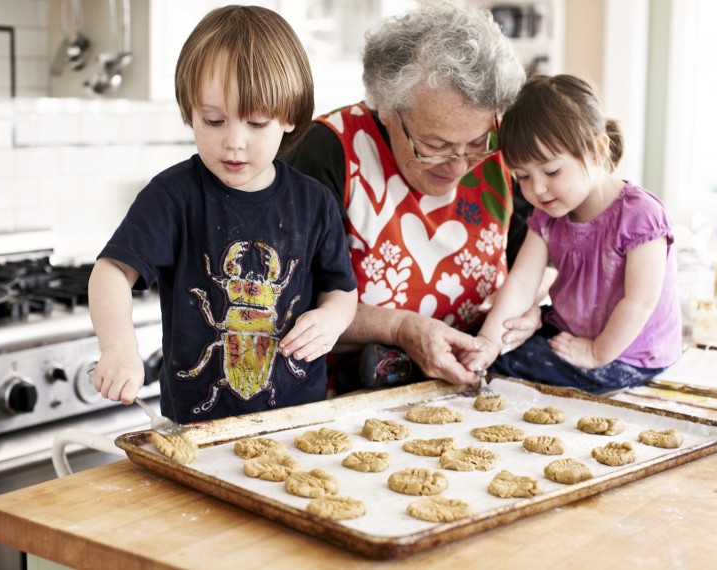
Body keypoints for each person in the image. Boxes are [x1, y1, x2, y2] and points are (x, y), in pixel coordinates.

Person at [88, 5, 358, 423]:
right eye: (213, 121)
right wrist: (119, 347)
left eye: (255, 122)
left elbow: (340, 290)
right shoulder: (172, 196)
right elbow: (110, 272)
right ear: (189, 112)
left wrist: (331, 319)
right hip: (197, 428)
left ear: (288, 117)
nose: (234, 141)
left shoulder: (315, 202)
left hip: (298, 423)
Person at [285, 3, 541, 390]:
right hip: (348, 399)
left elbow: (541, 255)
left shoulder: (504, 147)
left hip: (479, 389)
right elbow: (290, 302)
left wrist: (531, 308)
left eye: (475, 143)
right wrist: (402, 328)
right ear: (386, 107)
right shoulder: (329, 152)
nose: (458, 166)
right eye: (434, 145)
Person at [462, 74, 682, 394]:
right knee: (489, 348)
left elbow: (640, 302)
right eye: (523, 177)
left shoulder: (640, 215)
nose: (536, 189)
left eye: (551, 171)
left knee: (509, 370)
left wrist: (595, 352)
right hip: (572, 332)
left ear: (596, 150)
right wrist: (489, 340)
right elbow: (523, 280)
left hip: (628, 352)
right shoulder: (549, 216)